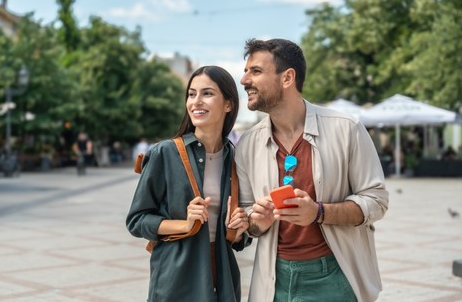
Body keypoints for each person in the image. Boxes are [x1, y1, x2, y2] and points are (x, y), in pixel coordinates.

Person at [235, 38, 389, 302]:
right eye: (247, 70)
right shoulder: (247, 144)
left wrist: (318, 212)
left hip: (336, 276)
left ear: (287, 78)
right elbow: (249, 215)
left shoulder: (346, 129)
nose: (244, 79)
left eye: (256, 71)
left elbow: (376, 201)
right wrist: (255, 222)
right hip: (274, 280)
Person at [126, 66, 250, 302]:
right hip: (177, 280)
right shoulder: (166, 153)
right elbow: (136, 220)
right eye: (192, 94)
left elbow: (237, 239)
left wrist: (239, 227)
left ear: (229, 104)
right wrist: (185, 224)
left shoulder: (235, 158)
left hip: (222, 278)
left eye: (207, 93)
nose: (196, 101)